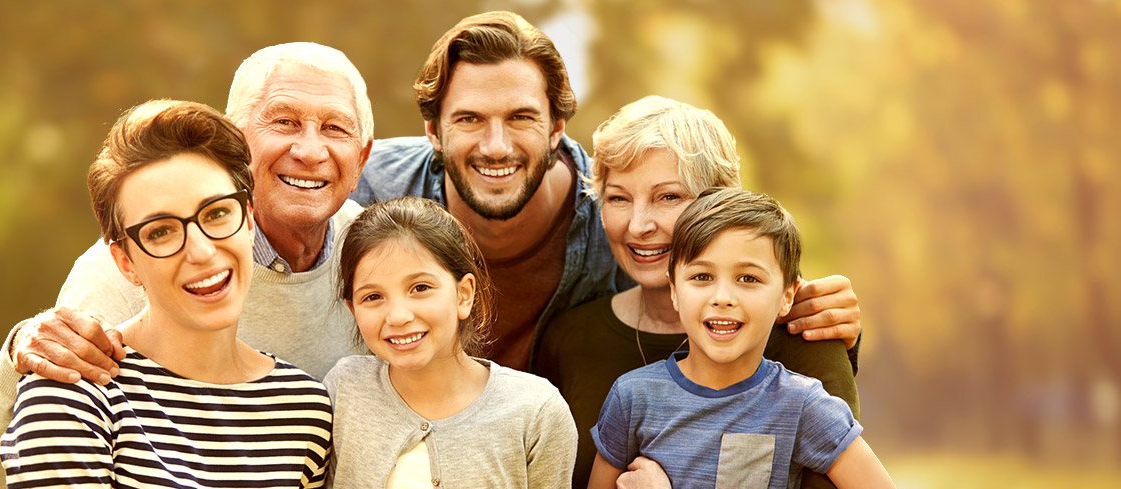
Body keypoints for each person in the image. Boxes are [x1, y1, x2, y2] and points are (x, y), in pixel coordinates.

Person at [0, 42, 372, 489]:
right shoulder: (132, 265)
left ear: (361, 160)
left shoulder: (375, 257)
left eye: (334, 128)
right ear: (237, 143)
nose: (309, 150)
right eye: (284, 122)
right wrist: (22, 350)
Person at [354, 11, 863, 372]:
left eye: (521, 118)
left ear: (557, 128)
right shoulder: (367, 191)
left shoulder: (616, 215)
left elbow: (732, 260)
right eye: (469, 119)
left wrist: (821, 316)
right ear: (433, 131)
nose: (496, 145)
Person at [535, 96, 870, 489]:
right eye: (618, 198)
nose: (638, 225)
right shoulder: (569, 337)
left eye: (668, 197)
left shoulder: (802, 336)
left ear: (720, 202)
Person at [1, 99, 332, 489]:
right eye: (161, 231)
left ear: (249, 217)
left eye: (217, 213)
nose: (200, 251)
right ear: (126, 262)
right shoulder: (73, 396)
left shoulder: (303, 410)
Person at [569, 188, 910, 489]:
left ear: (787, 296)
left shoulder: (802, 404)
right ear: (674, 291)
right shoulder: (633, 396)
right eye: (701, 277)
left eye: (748, 279)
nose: (723, 297)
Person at [323, 197, 577, 489]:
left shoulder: (534, 410)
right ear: (353, 309)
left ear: (463, 294)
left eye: (420, 288)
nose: (397, 315)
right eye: (373, 297)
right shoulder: (344, 389)